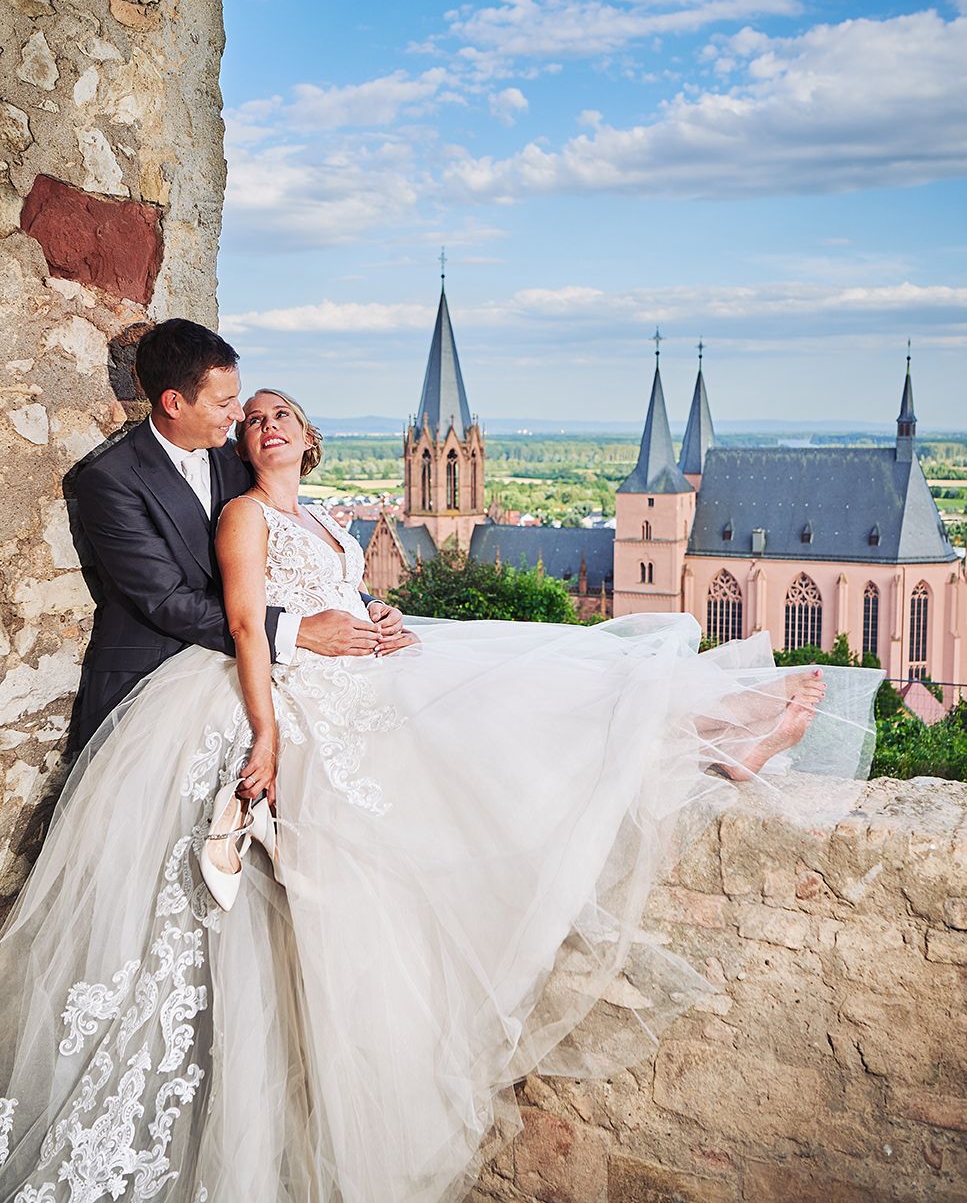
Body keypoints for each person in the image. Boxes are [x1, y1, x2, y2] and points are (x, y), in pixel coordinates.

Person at [0, 389, 882, 1203]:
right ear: (241, 439)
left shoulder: (326, 518)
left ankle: (724, 725)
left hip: (363, 671)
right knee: (516, 708)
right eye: (250, 414)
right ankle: (723, 727)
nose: (266, 422)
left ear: (310, 440)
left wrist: (378, 615)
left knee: (526, 686)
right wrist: (269, 728)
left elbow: (335, 593)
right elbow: (245, 623)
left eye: (282, 413)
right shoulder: (243, 513)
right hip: (313, 697)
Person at [72, 318, 407, 751]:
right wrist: (296, 631)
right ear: (174, 403)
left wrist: (368, 608)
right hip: (159, 675)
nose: (237, 414)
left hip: (260, 660)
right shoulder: (111, 480)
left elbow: (288, 558)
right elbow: (166, 600)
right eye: (225, 402)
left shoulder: (236, 461)